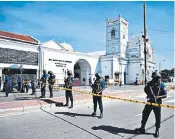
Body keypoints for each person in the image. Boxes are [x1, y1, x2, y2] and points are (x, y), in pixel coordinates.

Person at [135, 71, 167, 138]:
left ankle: (157, 130)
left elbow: (165, 95)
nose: (154, 79)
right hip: (149, 102)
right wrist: (149, 94)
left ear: (158, 77)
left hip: (157, 103)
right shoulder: (150, 83)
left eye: (155, 78)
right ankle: (142, 128)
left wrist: (157, 97)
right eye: (153, 78)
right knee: (144, 114)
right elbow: (145, 89)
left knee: (157, 117)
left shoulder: (162, 84)